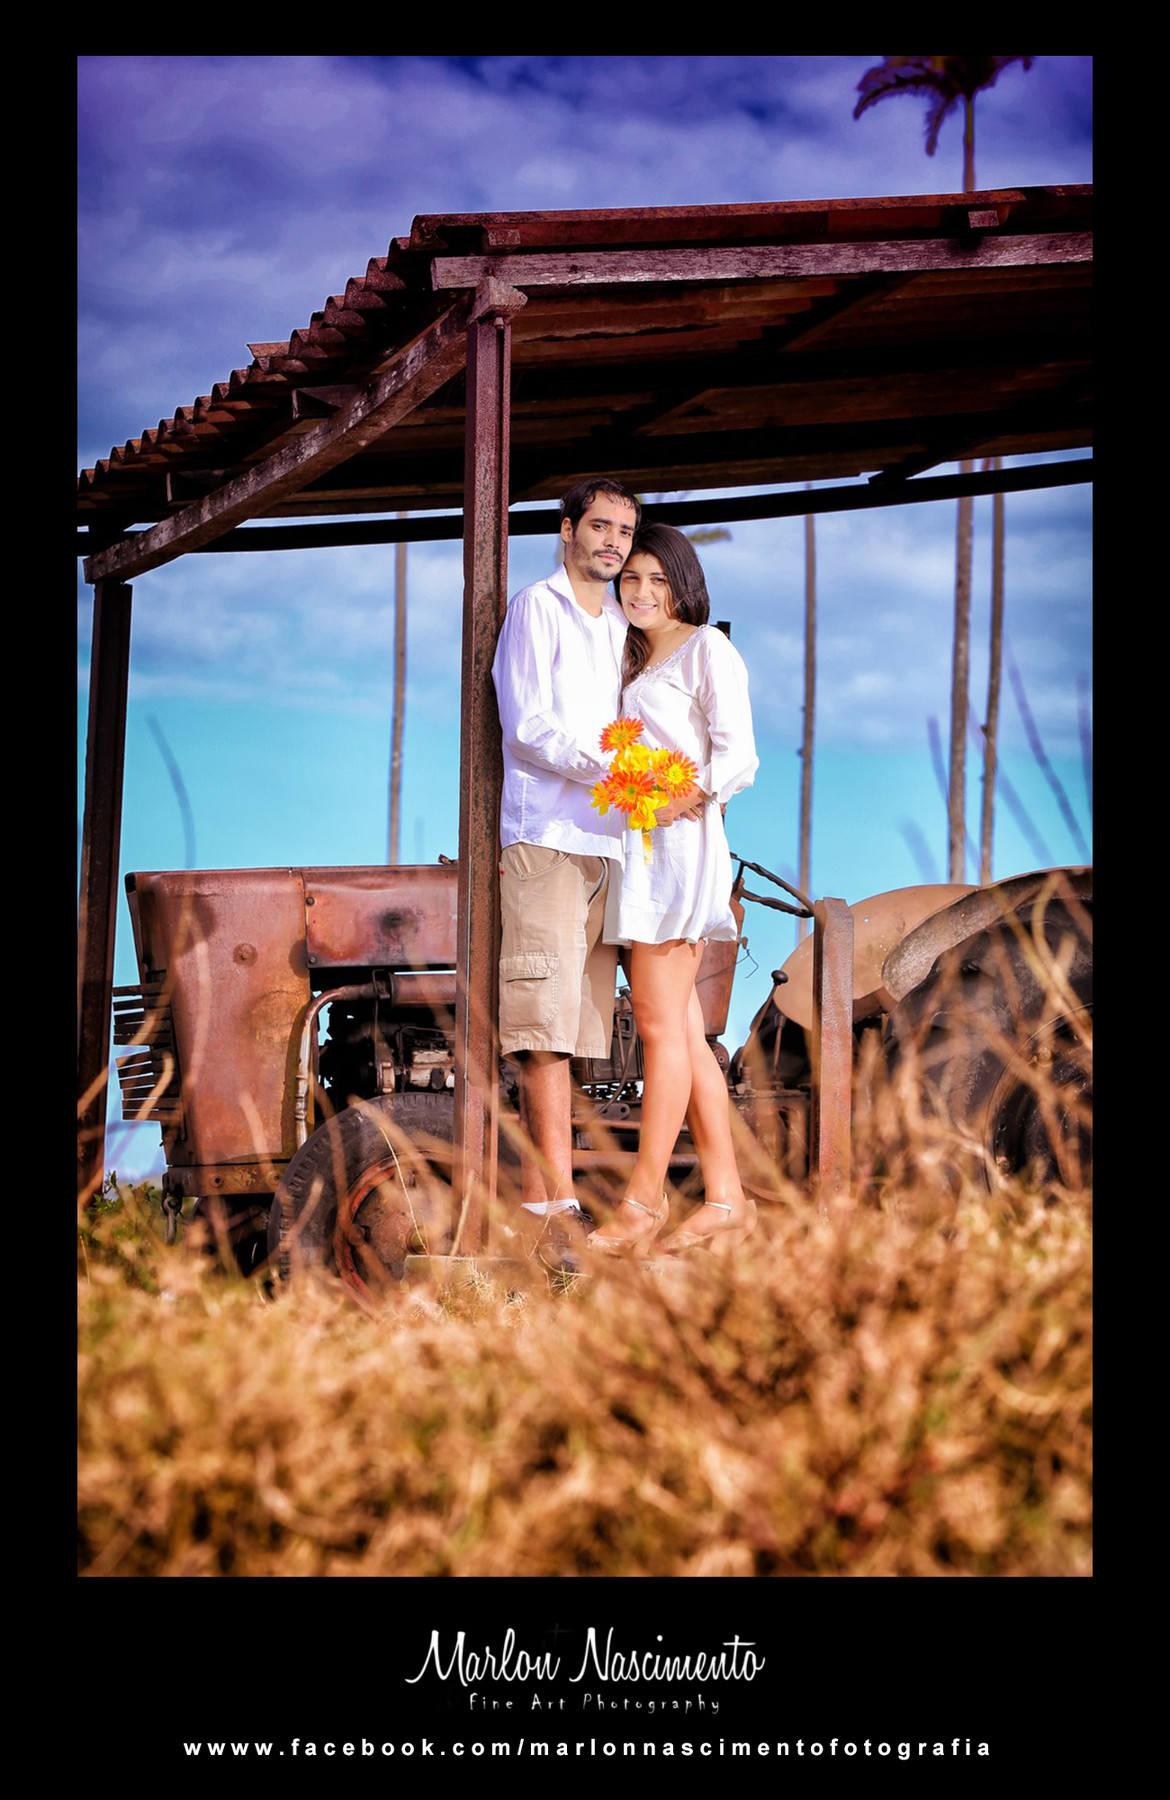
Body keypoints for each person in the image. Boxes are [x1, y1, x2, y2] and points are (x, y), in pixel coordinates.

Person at [585, 522, 760, 1258]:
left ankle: (643, 1201)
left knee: (659, 1031)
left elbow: (739, 756)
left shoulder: (706, 649)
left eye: (658, 579)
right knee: (684, 1033)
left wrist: (676, 800)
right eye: (631, 578)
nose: (643, 592)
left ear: (683, 584)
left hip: (679, 851)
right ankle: (726, 1198)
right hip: (638, 848)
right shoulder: (628, 656)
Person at [491, 477, 642, 1254]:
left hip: (608, 846)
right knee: (541, 1026)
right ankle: (548, 1208)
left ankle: (564, 1197)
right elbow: (526, 727)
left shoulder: (622, 626)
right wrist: (613, 771)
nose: (613, 542)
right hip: (546, 839)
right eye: (601, 526)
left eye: (624, 531)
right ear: (567, 530)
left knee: (581, 1031)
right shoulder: (536, 609)